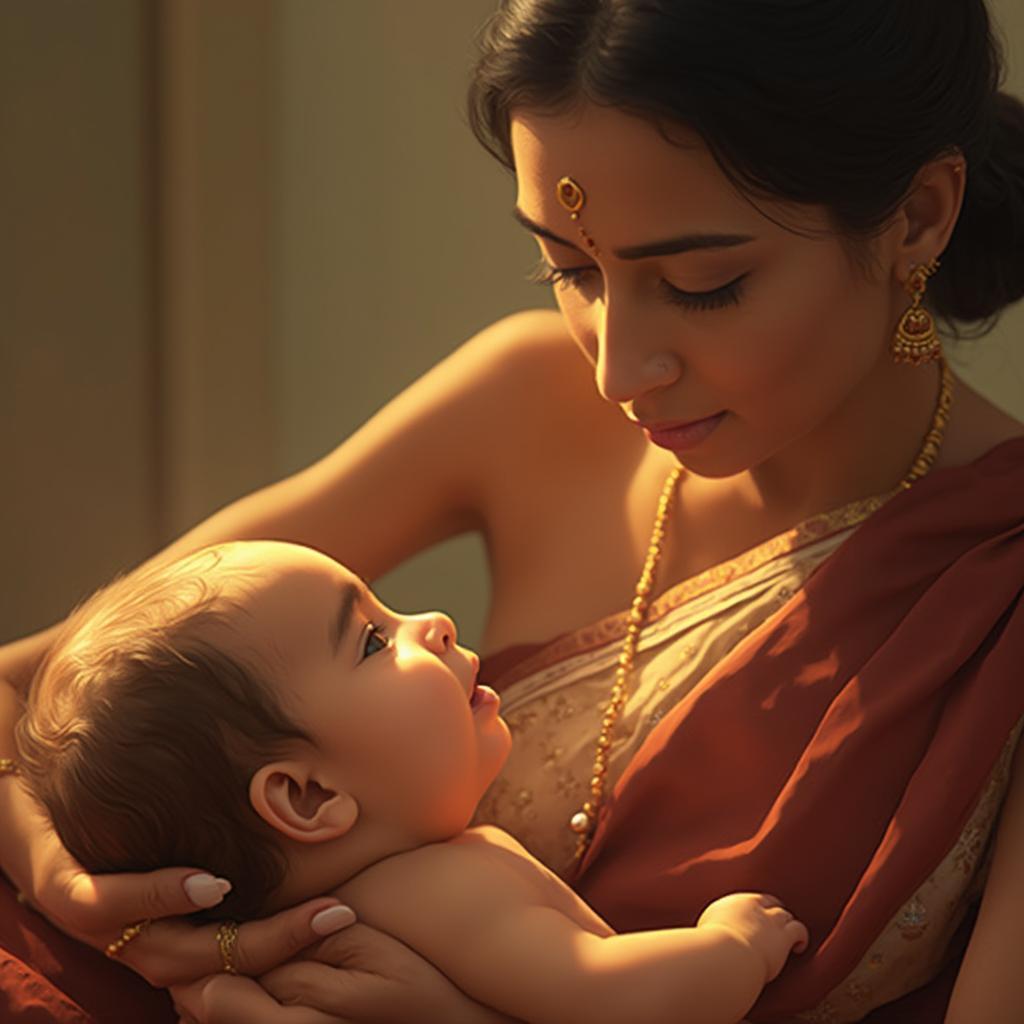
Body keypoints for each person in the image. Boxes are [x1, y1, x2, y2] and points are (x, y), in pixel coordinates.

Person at [2, 0, 1024, 1020]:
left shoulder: (997, 570)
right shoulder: (527, 400)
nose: (619, 371)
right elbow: (35, 690)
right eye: (569, 270)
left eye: (703, 284)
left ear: (919, 217)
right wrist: (71, 879)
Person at [15, 538, 808, 1024]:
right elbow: (610, 1000)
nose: (432, 623)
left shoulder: (388, 890)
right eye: (371, 640)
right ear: (308, 798)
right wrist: (733, 946)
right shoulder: (436, 890)